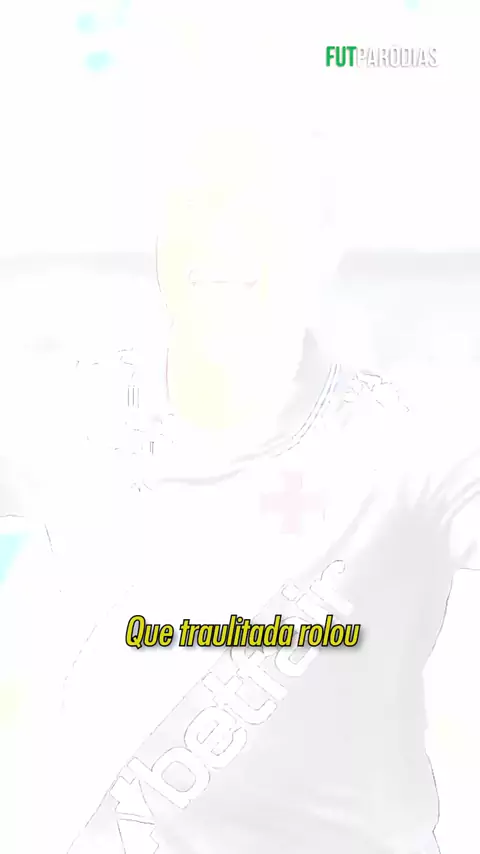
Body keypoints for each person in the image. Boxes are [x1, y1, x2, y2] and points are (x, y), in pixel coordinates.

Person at [29, 127, 480, 853]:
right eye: (195, 203)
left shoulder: (409, 443)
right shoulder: (66, 414)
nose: (222, 235)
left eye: (262, 208)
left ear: (326, 248)